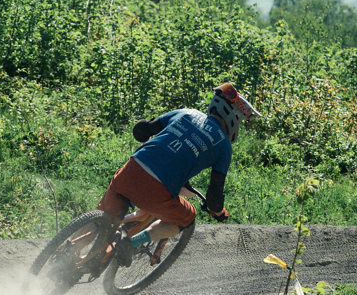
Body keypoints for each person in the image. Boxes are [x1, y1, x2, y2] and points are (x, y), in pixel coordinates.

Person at [98, 82, 260, 263]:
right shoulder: (224, 147)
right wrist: (219, 212)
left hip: (129, 171)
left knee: (102, 221)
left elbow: (141, 129)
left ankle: (68, 250)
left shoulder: (186, 112)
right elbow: (214, 197)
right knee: (187, 218)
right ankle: (131, 243)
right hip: (157, 191)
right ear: (234, 118)